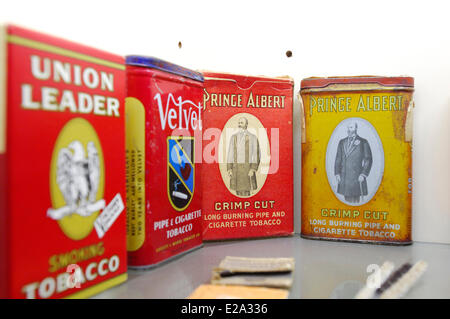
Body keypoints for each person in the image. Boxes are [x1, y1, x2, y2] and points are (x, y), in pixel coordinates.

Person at [334, 122, 372, 203]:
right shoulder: (342, 142)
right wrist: (337, 173)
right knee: (346, 200)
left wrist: (363, 174)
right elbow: (338, 158)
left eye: (351, 127)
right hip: (344, 178)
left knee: (355, 201)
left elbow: (368, 159)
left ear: (356, 129)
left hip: (357, 178)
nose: (348, 130)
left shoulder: (363, 142)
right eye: (348, 128)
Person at [227, 117, 261, 196]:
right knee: (237, 193)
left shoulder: (253, 137)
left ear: (246, 125)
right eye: (239, 123)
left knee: (246, 192)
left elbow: (256, 154)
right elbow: (230, 153)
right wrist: (229, 168)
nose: (239, 125)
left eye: (241, 123)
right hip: (236, 170)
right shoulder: (233, 137)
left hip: (247, 170)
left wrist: (253, 169)